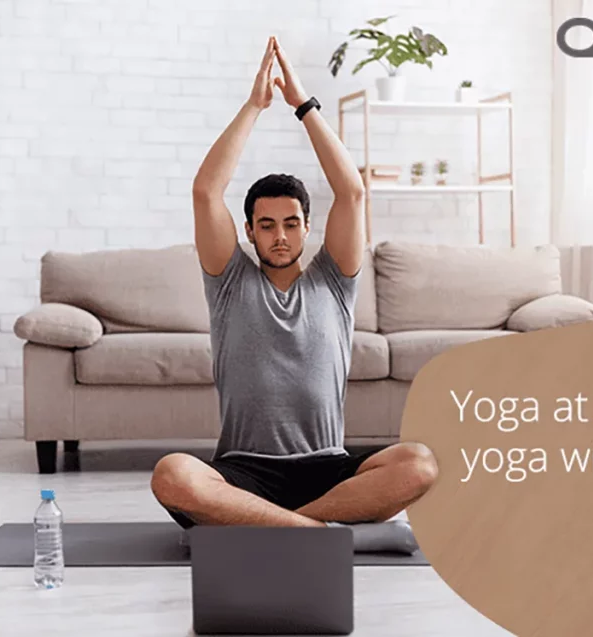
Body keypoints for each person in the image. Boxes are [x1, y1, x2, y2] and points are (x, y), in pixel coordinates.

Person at [150, 36, 438, 553]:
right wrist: (256, 104)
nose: (279, 235)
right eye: (266, 225)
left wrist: (302, 105)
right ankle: (317, 535)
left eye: (290, 223)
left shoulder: (335, 277)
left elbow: (352, 191)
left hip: (328, 469)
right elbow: (204, 191)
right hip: (244, 470)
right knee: (173, 475)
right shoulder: (229, 278)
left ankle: (264, 526)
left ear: (308, 228)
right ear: (249, 230)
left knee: (418, 463)